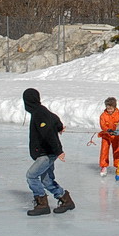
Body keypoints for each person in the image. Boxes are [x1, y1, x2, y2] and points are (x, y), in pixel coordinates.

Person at [22, 88, 75, 216]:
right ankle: (65, 199)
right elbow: (54, 119)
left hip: (46, 154)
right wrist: (59, 127)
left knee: (31, 176)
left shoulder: (39, 113)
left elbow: (48, 133)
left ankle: (42, 203)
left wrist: (59, 151)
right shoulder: (41, 111)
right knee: (46, 181)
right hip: (47, 153)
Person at [98, 97, 119, 177]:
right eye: (108, 108)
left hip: (116, 136)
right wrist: (107, 130)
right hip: (106, 136)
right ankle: (104, 166)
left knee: (117, 150)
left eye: (111, 108)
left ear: (114, 107)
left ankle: (118, 166)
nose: (109, 110)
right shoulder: (103, 115)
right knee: (104, 150)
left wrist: (117, 130)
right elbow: (103, 125)